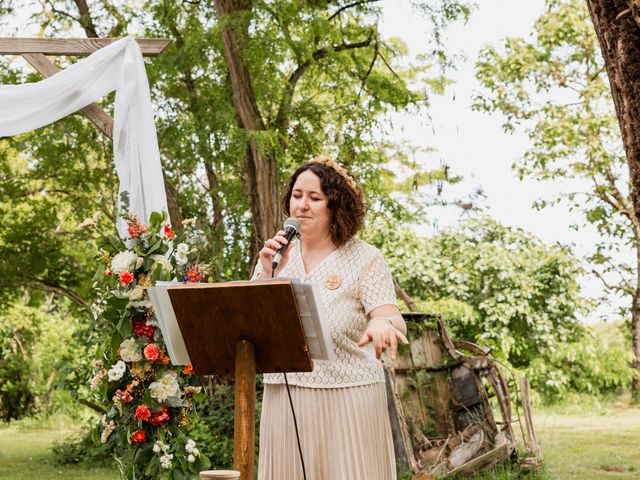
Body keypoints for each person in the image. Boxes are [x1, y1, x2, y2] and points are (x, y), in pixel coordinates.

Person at [253, 155, 408, 480]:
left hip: (349, 398)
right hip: (285, 398)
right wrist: (268, 275)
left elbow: (390, 317)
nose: (302, 206)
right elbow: (251, 325)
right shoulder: (275, 257)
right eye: (297, 195)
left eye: (314, 198)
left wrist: (381, 325)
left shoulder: (366, 258)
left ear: (335, 205)